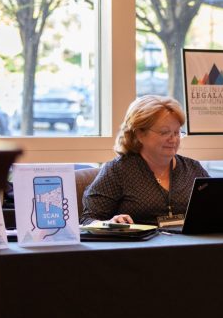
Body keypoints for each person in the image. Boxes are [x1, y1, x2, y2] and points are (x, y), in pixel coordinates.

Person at [80, 95, 209, 225]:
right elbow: (87, 220)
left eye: (176, 133)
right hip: (140, 244)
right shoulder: (119, 170)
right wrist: (109, 223)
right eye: (164, 132)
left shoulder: (193, 168)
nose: (173, 139)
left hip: (190, 244)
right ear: (139, 134)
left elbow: (217, 208)